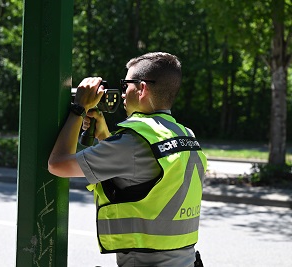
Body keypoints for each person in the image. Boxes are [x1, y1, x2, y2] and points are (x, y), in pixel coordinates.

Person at [48, 52, 207, 267]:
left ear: (142, 89)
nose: (123, 93)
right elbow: (137, 176)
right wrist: (105, 136)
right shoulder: (185, 135)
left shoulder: (132, 143)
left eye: (126, 84)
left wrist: (79, 109)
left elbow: (57, 165)